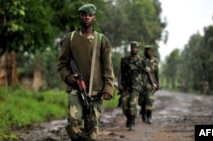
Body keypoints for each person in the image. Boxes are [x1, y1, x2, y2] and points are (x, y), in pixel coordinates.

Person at [57, 3, 114, 141]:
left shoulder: (102, 40)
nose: (87, 18)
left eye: (90, 15)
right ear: (79, 17)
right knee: (74, 126)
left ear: (94, 18)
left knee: (92, 133)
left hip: (96, 91)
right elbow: (62, 64)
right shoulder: (70, 39)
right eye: (84, 15)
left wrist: (108, 88)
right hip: (75, 90)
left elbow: (108, 67)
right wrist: (67, 77)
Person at [118, 41, 157, 131]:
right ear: (130, 48)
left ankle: (131, 122)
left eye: (135, 48)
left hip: (136, 87)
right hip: (126, 86)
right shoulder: (125, 60)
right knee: (124, 106)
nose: (133, 49)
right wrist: (119, 84)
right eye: (132, 47)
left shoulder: (142, 61)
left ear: (138, 49)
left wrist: (153, 84)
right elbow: (120, 72)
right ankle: (129, 118)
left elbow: (148, 73)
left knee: (133, 104)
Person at [139, 45, 159, 124]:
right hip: (141, 82)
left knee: (150, 100)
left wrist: (157, 83)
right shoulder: (141, 60)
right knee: (143, 100)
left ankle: (149, 116)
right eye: (148, 51)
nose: (149, 52)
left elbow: (156, 73)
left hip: (151, 83)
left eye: (151, 51)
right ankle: (143, 114)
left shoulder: (155, 60)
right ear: (145, 51)